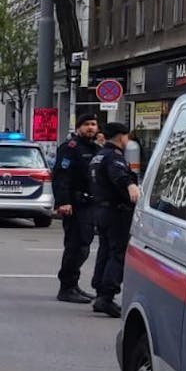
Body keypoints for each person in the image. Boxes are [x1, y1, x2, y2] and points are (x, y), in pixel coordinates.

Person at [89, 122, 141, 318]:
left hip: (101, 210)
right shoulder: (114, 157)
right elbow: (119, 177)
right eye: (126, 137)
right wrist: (130, 186)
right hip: (116, 211)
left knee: (105, 250)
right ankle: (107, 296)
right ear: (121, 137)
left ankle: (100, 292)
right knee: (117, 253)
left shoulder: (98, 156)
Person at [52, 112, 102, 303]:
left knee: (84, 246)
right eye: (87, 124)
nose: (91, 127)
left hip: (89, 204)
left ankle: (74, 285)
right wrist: (63, 202)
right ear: (79, 127)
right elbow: (61, 176)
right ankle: (66, 287)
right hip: (74, 204)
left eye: (94, 124)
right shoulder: (70, 148)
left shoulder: (95, 148)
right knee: (75, 246)